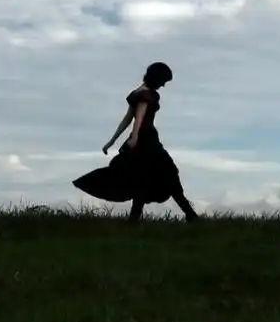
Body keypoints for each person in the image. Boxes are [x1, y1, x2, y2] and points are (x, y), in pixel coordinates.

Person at [72, 62, 199, 222]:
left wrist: (112, 141)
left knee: (141, 179)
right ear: (157, 78)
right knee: (168, 175)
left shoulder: (136, 93)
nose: (164, 85)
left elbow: (127, 119)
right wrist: (134, 137)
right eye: (163, 81)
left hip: (140, 141)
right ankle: (191, 215)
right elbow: (139, 117)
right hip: (147, 141)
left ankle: (135, 220)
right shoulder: (148, 95)